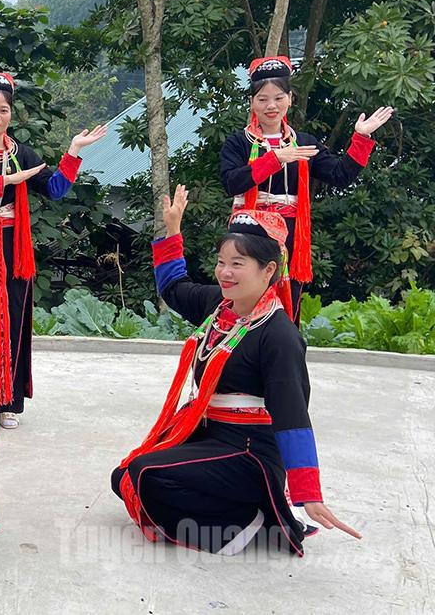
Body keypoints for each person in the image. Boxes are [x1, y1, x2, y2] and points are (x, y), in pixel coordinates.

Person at [110, 184, 362, 555]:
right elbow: (174, 288)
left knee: (147, 476)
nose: (225, 273)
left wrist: (308, 494)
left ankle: (246, 521)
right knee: (124, 475)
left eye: (238, 264)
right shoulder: (221, 305)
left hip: (250, 453)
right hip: (211, 433)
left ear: (268, 270)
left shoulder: (278, 335)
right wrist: (173, 230)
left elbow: (292, 415)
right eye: (221, 262)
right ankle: (242, 511)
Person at [0, 70, 106, 428]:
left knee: (12, 318)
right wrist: (5, 181)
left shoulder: (22, 154)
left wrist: (74, 151)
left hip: (12, 246)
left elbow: (55, 190)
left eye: (3, 110)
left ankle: (6, 401)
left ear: (10, 115)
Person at [219, 55, 393, 320]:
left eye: (278, 98)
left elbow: (340, 175)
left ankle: (283, 351)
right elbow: (232, 182)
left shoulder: (303, 142)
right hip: (249, 234)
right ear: (252, 102)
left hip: (290, 235)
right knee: (247, 298)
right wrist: (275, 158)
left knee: (288, 300)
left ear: (289, 98)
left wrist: (362, 137)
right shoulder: (238, 143)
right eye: (263, 99)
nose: (271, 106)